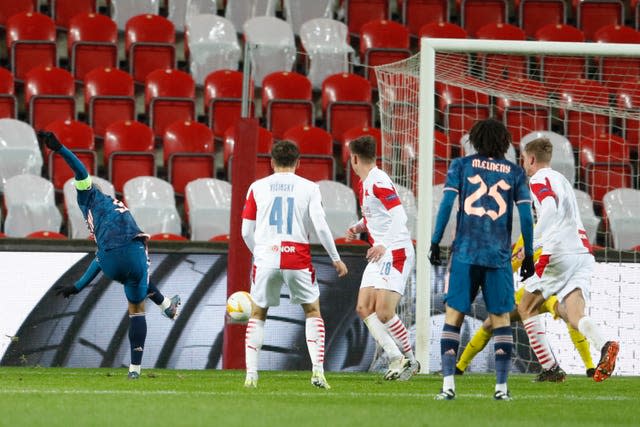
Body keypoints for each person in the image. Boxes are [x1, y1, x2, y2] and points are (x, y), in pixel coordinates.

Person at [38, 131, 181, 380]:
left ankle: (167, 305)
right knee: (137, 302)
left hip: (108, 260)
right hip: (132, 251)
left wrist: (78, 286)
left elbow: (81, 174)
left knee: (134, 285)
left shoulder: (87, 198)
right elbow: (83, 175)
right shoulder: (111, 203)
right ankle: (135, 369)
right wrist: (59, 147)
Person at [429, 119, 535, 401]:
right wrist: (530, 254)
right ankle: (501, 389)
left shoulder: (461, 165)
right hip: (498, 256)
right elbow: (526, 216)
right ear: (505, 143)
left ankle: (448, 386)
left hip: (465, 253)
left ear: (475, 140)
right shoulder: (515, 172)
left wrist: (435, 240)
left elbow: (446, 206)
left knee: (454, 316)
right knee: (500, 319)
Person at [241, 140, 348, 389]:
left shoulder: (257, 187)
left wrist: (258, 253)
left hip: (266, 255)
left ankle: (251, 377)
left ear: (271, 162)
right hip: (297, 256)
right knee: (312, 311)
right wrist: (335, 258)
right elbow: (320, 226)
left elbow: (246, 230)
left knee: (258, 313)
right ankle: (318, 373)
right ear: (298, 163)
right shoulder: (310, 188)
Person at [517, 137, 619, 383]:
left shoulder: (538, 179)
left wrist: (531, 247)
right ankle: (604, 344)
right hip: (582, 252)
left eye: (523, 160)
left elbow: (550, 208)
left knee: (525, 306)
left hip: (560, 253)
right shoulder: (561, 179)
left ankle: (551, 368)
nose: (524, 165)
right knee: (572, 312)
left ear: (531, 159)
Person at [454, 234, 596, 380]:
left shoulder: (564, 230)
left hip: (553, 289)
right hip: (532, 292)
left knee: (569, 315)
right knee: (492, 322)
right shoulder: (530, 232)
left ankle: (590, 367)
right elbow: (514, 263)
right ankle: (459, 367)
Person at [345, 135, 419, 381]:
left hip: (395, 251)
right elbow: (374, 217)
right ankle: (396, 357)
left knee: (384, 312)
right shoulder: (365, 182)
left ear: (354, 158)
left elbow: (400, 216)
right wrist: (357, 228)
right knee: (364, 307)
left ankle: (410, 359)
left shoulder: (378, 181)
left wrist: (382, 244)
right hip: (381, 252)